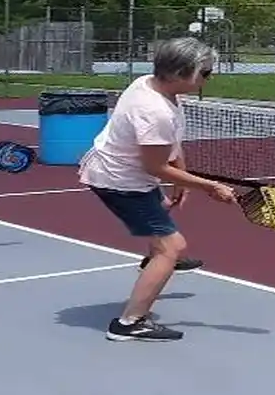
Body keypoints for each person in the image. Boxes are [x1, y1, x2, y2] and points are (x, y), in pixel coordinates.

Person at [79, 36, 238, 342]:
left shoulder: (151, 84)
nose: (210, 77)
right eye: (205, 72)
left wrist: (182, 176)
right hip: (120, 182)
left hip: (126, 173)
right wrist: (211, 186)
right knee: (173, 247)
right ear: (180, 74)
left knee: (162, 216)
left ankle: (154, 258)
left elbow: (168, 145)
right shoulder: (154, 111)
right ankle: (129, 323)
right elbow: (155, 167)